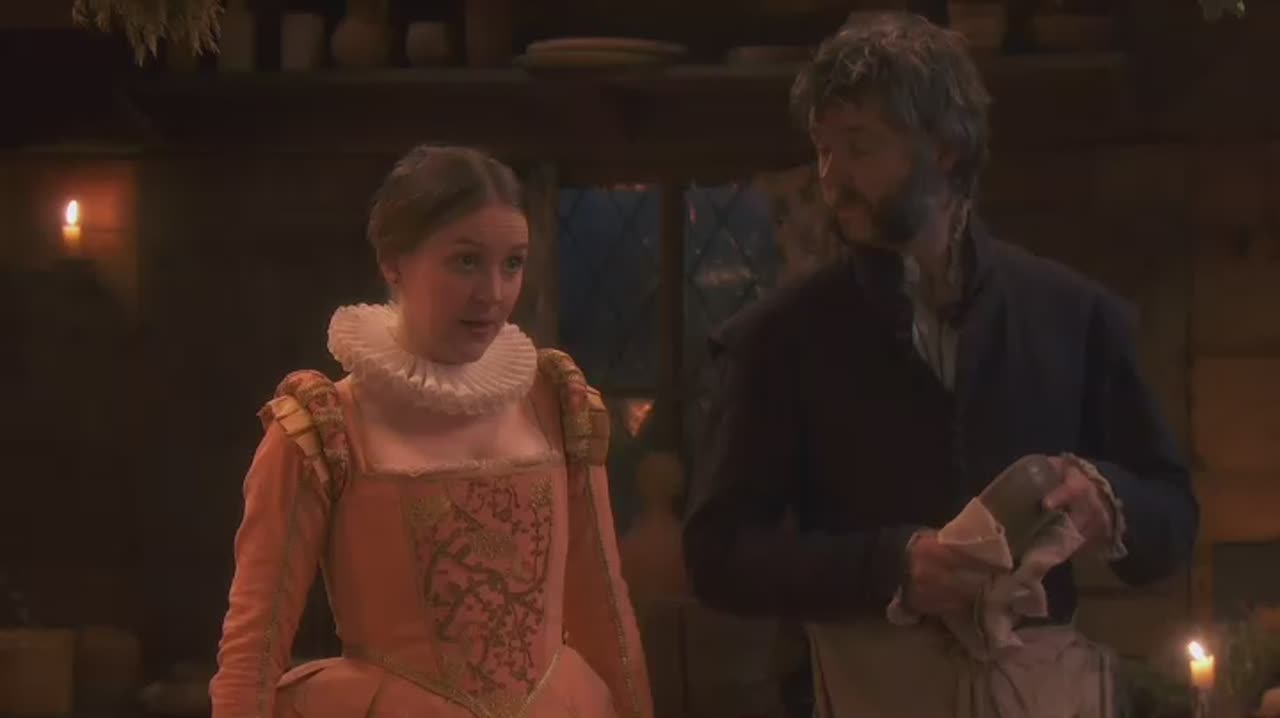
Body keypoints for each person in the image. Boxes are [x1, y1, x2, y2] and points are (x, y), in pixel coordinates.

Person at [682, 13, 1199, 718]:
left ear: (946, 149)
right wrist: (891, 566)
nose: (832, 179)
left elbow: (1174, 518)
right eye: (823, 150)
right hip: (867, 694)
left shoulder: (1074, 316)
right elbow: (718, 554)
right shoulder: (781, 338)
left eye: (859, 147)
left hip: (1038, 696)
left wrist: (1105, 502)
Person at [209, 145, 653, 718]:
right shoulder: (323, 429)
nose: (493, 293)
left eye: (512, 264)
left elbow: (605, 614)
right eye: (465, 262)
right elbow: (253, 649)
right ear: (394, 262)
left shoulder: (557, 405)